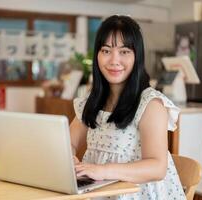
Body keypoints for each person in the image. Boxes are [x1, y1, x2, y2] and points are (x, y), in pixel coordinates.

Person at [70, 15, 186, 200]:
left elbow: (157, 167)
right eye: (106, 50)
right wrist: (70, 159)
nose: (114, 60)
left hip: (138, 194)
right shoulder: (91, 101)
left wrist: (103, 171)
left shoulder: (150, 104)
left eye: (124, 51)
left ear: (136, 56)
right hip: (99, 192)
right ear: (97, 55)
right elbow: (68, 143)